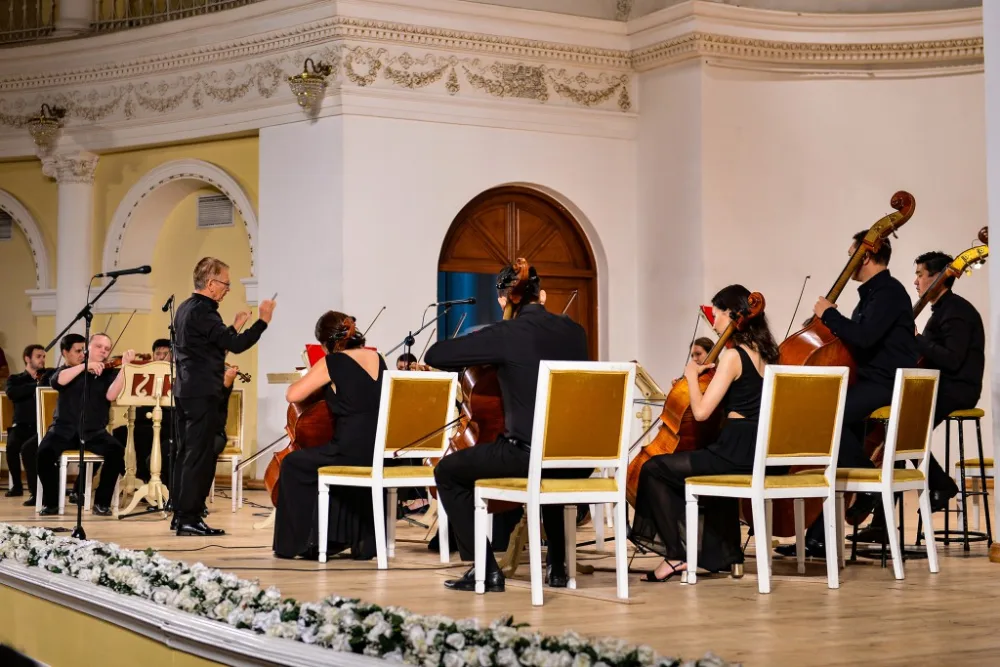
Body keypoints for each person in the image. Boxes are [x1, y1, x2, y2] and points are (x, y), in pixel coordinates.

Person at [424, 260, 589, 593]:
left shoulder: (507, 333)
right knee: (549, 451)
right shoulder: (575, 331)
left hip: (527, 457)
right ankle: (557, 567)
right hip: (576, 459)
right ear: (541, 295)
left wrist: (496, 335)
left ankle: (485, 569)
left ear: (505, 300)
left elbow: (435, 354)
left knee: (448, 471)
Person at [777, 231, 918, 557]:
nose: (849, 262)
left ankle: (868, 484)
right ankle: (819, 538)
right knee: (836, 449)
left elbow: (865, 337)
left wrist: (829, 315)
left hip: (884, 385)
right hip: (869, 382)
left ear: (866, 256)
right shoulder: (874, 293)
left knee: (825, 419)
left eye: (852, 255)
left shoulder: (889, 293)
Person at [631, 285, 778, 581]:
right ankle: (726, 555)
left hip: (735, 450)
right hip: (760, 449)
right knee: (701, 460)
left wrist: (691, 377)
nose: (713, 323)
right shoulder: (769, 354)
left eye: (718, 314)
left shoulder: (734, 356)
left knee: (653, 469)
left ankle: (675, 554)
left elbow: (700, 412)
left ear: (733, 314)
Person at [172, 257, 275, 537]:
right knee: (200, 456)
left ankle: (181, 515)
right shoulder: (204, 311)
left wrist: (233, 326)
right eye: (226, 283)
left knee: (186, 455)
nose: (228, 289)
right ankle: (190, 518)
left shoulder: (185, 308)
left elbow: (210, 346)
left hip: (185, 390)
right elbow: (236, 346)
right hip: (202, 391)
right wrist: (263, 322)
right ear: (211, 283)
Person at [273, 311, 386, 560]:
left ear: (326, 342)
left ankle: (302, 543)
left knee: (293, 464)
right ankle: (358, 540)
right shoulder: (377, 358)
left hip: (349, 451)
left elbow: (293, 395)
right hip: (377, 450)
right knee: (321, 459)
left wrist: (313, 372)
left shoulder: (332, 362)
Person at [36, 334, 132, 516]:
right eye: (99, 346)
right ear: (88, 348)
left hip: (93, 432)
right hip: (62, 430)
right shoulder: (70, 369)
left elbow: (111, 396)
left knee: (116, 451)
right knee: (44, 453)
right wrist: (84, 367)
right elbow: (57, 381)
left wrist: (125, 367)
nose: (103, 350)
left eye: (107, 348)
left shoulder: (109, 373)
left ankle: (102, 503)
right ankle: (51, 503)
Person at [113, 339, 174, 485]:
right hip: (144, 419)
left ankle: (151, 480)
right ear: (153, 355)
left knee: (146, 436)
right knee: (119, 434)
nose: (161, 357)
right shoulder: (144, 372)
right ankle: (133, 477)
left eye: (166, 354)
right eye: (158, 353)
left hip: (167, 422)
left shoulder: (177, 373)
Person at [4, 344, 53, 505]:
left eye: (44, 356)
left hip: (41, 427)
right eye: (38, 356)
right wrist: (36, 385)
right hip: (22, 426)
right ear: (27, 358)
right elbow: (12, 393)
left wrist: (41, 381)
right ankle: (17, 486)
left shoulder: (48, 376)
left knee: (29, 449)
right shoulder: (15, 379)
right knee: (12, 446)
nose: (42, 360)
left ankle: (35, 492)